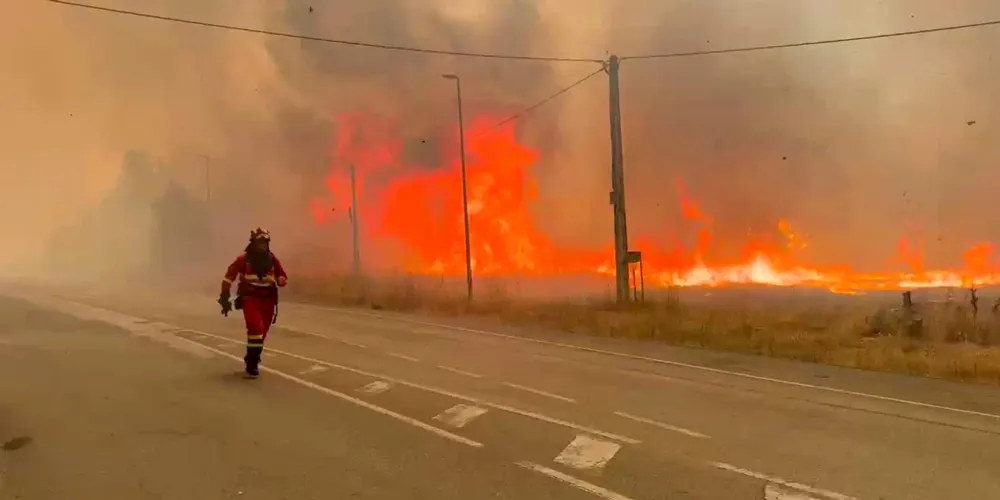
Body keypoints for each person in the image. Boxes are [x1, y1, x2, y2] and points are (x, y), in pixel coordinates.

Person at [218, 227, 288, 378]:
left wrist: (282, 280)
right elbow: (229, 276)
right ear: (253, 243)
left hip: (268, 300)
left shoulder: (272, 259)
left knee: (262, 333)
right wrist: (224, 295)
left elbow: (282, 275)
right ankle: (252, 364)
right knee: (256, 328)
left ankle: (251, 358)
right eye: (259, 242)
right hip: (250, 298)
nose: (262, 245)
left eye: (265, 242)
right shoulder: (243, 259)